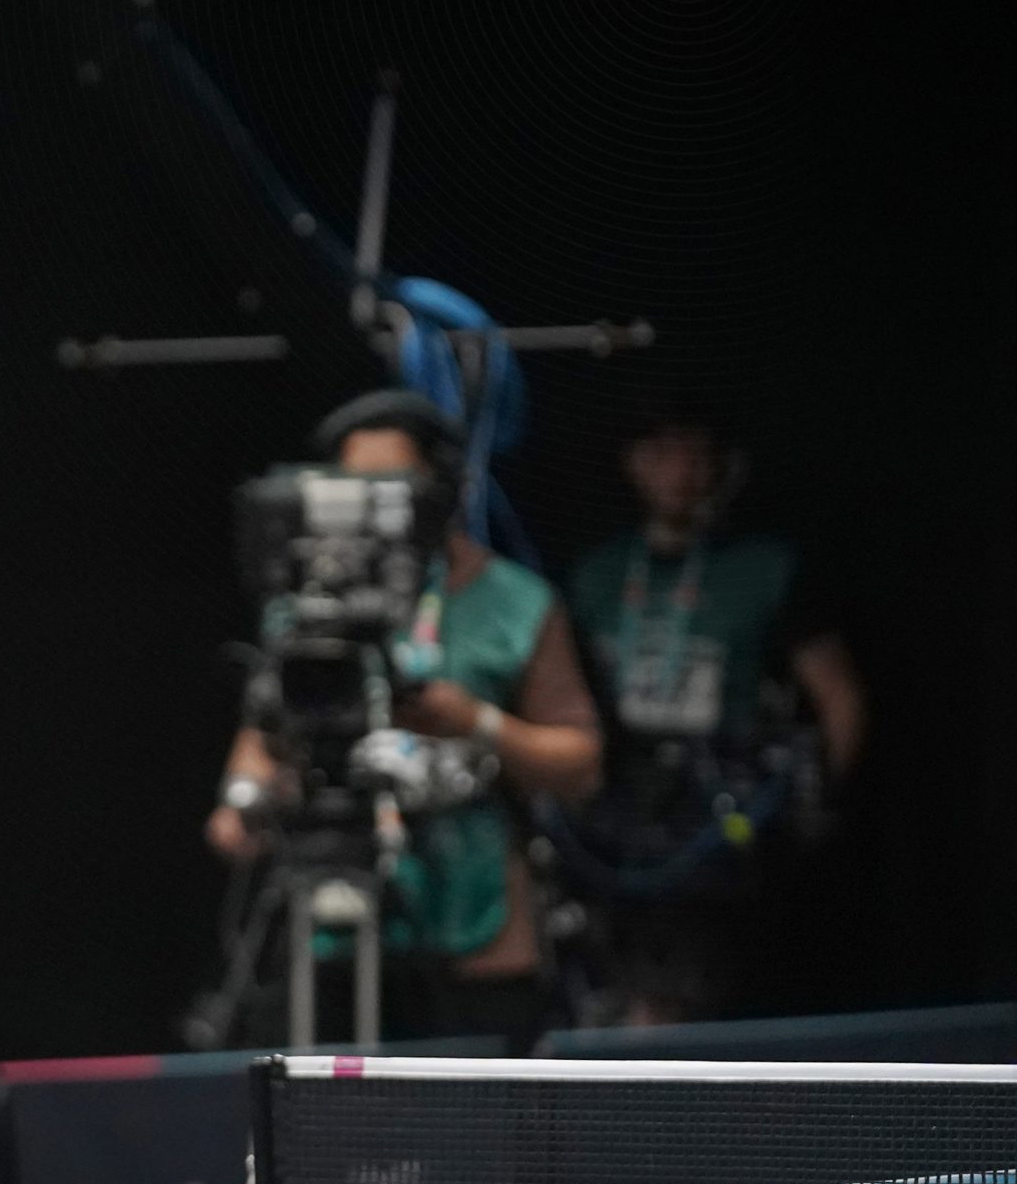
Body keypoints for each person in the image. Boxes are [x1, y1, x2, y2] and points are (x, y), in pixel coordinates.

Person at [203, 391, 602, 1049]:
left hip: (475, 913)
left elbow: (581, 765)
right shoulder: (306, 604)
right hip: (338, 912)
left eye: (391, 486)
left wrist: (476, 722)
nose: (370, 504)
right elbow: (261, 739)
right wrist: (246, 801)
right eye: (353, 485)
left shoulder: (515, 602)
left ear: (442, 489)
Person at [562, 392, 865, 1024]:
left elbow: (838, 694)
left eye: (697, 457)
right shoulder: (597, 575)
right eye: (663, 454)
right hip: (613, 814)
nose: (681, 473)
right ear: (634, 463)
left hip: (719, 812)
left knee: (692, 990)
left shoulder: (766, 569)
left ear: (725, 469)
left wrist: (810, 804)